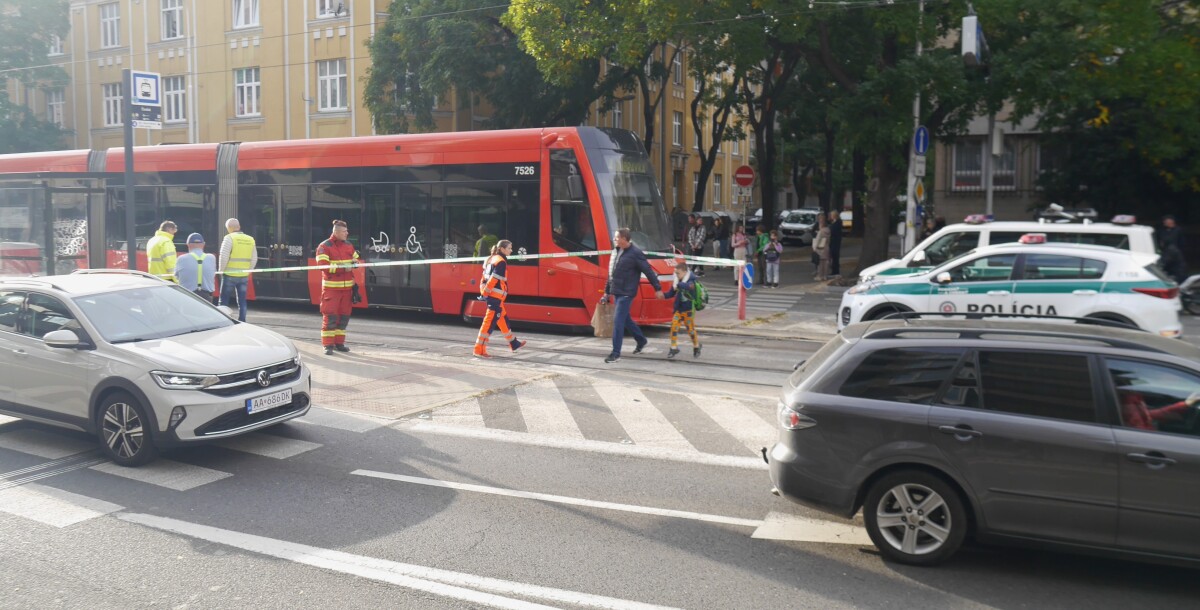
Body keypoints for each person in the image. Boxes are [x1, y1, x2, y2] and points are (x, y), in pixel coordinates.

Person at [602, 227, 664, 363]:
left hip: (627, 293)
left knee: (618, 321)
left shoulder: (635, 253)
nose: (614, 240)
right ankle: (641, 340)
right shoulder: (616, 251)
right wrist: (606, 292)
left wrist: (657, 288)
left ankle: (615, 353)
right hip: (617, 291)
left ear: (624, 239)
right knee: (625, 319)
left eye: (617, 238)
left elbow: (648, 271)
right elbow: (611, 273)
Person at [473, 239, 526, 358]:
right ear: (502, 249)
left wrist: (483, 291)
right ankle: (479, 350)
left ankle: (514, 343)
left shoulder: (491, 258)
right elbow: (493, 279)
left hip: (493, 296)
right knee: (489, 324)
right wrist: (486, 293)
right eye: (509, 248)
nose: (511, 251)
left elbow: (483, 277)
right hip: (494, 296)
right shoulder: (501, 261)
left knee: (502, 319)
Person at [315, 220, 361, 355]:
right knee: (330, 317)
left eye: (346, 231)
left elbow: (356, 259)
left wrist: (355, 263)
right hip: (331, 290)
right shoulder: (324, 246)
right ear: (336, 232)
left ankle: (339, 343)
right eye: (344, 231)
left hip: (347, 290)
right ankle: (327, 345)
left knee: (344, 317)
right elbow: (323, 267)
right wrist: (343, 268)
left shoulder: (348, 245)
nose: (347, 233)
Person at [218, 218, 257, 322]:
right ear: (239, 227)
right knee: (242, 300)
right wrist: (248, 271)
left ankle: (223, 320)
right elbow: (254, 258)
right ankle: (242, 320)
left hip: (229, 274)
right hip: (243, 276)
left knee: (224, 301)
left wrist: (221, 271)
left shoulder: (229, 238)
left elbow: (223, 256)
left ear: (229, 228)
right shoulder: (250, 239)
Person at [662, 262, 701, 359]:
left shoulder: (691, 280)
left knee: (690, 330)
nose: (676, 275)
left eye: (678, 273)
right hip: (678, 310)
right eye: (675, 273)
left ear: (684, 272)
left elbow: (688, 286)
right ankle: (673, 348)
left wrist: (679, 284)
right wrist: (663, 295)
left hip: (688, 310)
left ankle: (696, 346)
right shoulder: (677, 281)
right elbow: (671, 293)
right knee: (674, 327)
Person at [1119, 389, 1199, 431]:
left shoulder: (1133, 396)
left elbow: (1149, 414)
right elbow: (1139, 429)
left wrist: (1184, 404)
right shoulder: (1129, 400)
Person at [174, 233, 216, 299]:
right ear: (203, 244)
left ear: (188, 244)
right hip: (206, 296)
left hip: (187, 295)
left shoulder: (181, 258)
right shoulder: (211, 258)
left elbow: (176, 275)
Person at [1159, 215, 1187, 283]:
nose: (1165, 223)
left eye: (1166, 221)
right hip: (1166, 252)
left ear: (1172, 222)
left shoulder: (1178, 230)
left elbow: (1181, 242)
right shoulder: (1163, 230)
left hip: (1175, 252)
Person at [814, 215, 831, 281]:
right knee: (826, 262)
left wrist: (815, 247)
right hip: (826, 247)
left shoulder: (820, 232)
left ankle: (820, 276)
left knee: (820, 263)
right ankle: (825, 275)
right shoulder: (828, 231)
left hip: (820, 248)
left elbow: (817, 241)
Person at [828, 209, 843, 277]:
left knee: (835, 256)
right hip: (833, 241)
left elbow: (834, 231)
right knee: (833, 256)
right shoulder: (834, 222)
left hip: (835, 241)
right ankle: (834, 270)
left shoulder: (838, 222)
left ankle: (836, 271)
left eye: (831, 215)